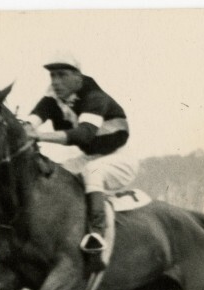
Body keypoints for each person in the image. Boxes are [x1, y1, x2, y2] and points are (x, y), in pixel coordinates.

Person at [22, 52, 135, 274]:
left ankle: (96, 234)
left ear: (78, 77)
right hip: (90, 156)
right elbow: (33, 118)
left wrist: (38, 136)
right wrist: (22, 127)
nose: (56, 82)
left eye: (62, 75)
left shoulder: (95, 97)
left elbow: (84, 135)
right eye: (53, 76)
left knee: (92, 171)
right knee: (54, 175)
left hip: (119, 158)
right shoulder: (53, 94)